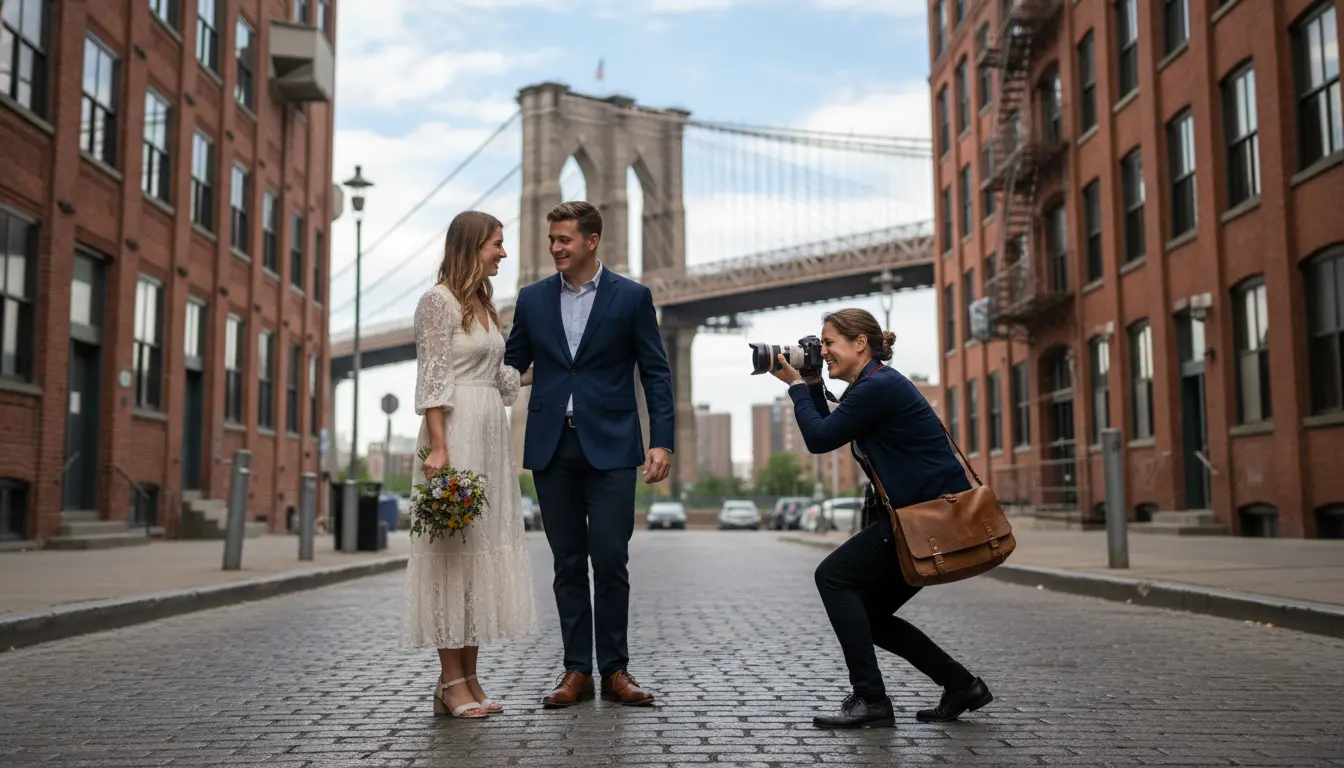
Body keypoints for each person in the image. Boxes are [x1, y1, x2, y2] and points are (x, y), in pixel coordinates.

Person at [770, 307, 993, 729]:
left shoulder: (877, 388)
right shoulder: (873, 386)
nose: (824, 352)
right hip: (917, 517)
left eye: (829, 343)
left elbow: (819, 438)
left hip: (924, 519)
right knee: (868, 616)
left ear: (860, 343)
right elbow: (831, 424)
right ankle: (961, 685)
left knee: (833, 579)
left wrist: (798, 387)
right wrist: (813, 381)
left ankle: (872, 699)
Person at [503, 200, 675, 709]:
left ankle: (616, 670)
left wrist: (660, 440)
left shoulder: (632, 297)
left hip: (614, 446)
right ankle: (575, 671)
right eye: (552, 239)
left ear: (592, 241)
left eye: (564, 240)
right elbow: (511, 368)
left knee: (610, 557)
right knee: (567, 562)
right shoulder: (531, 299)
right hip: (552, 445)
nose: (555, 247)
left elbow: (656, 373)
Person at [404, 210, 540, 718]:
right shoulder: (435, 302)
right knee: (451, 556)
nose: (504, 253)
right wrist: (439, 447)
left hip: (490, 435)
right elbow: (433, 382)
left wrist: (560, 363)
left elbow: (502, 381)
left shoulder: (485, 304)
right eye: (496, 244)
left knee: (479, 551)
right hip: (455, 433)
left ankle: (471, 679)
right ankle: (450, 681)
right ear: (471, 245)